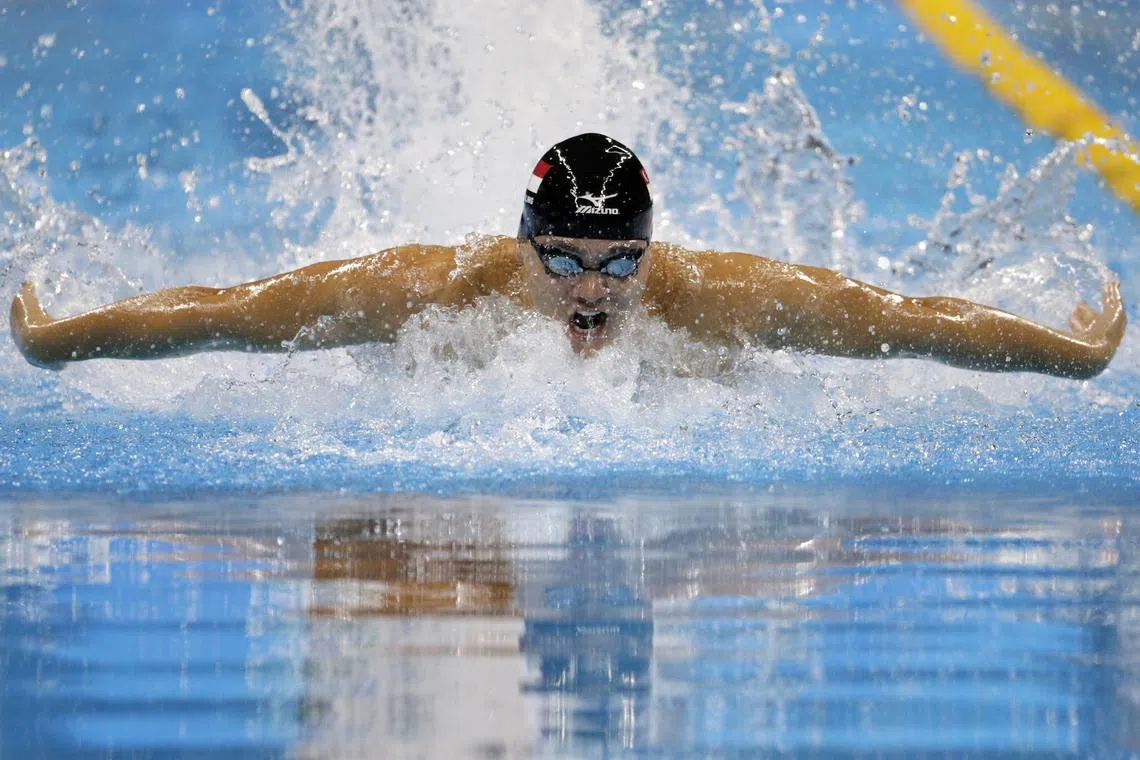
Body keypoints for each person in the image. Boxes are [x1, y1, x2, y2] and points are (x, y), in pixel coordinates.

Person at [8, 133, 1127, 378]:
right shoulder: (433, 289)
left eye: (619, 265)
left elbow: (908, 321)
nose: (591, 291)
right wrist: (61, 341)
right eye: (568, 262)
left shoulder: (718, 298)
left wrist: (1069, 357)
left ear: (652, 250)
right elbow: (228, 310)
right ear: (523, 244)